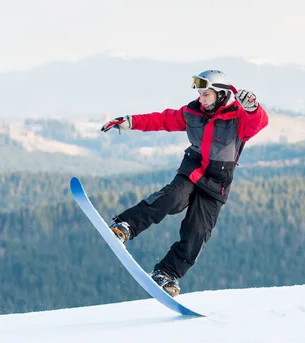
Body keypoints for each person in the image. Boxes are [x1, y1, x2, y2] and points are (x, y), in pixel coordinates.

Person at [100, 70, 268, 297]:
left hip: (216, 183)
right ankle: (125, 225)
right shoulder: (193, 112)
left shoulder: (238, 118)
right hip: (193, 170)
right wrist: (131, 122)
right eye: (200, 94)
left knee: (197, 233)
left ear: (220, 94)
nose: (201, 99)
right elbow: (163, 119)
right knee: (172, 197)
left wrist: (253, 108)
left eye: (206, 94)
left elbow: (258, 122)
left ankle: (167, 274)